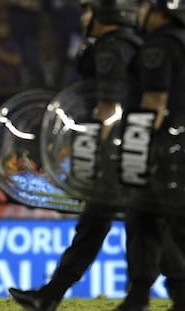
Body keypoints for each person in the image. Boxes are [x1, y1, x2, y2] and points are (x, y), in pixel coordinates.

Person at [8, 1, 143, 310]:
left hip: (118, 153)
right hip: (134, 145)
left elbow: (108, 107)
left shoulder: (111, 47)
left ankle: (142, 296)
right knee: (103, 225)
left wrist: (98, 152)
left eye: (89, 11)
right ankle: (51, 295)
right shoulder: (132, 44)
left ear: (108, 15)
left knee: (138, 224)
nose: (83, 18)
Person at [115, 1, 185, 310]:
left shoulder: (158, 46)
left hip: (160, 149)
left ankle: (141, 295)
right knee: (157, 220)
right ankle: (146, 294)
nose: (138, 13)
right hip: (179, 146)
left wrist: (137, 151)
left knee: (147, 218)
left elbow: (154, 103)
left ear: (158, 11)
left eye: (143, 6)